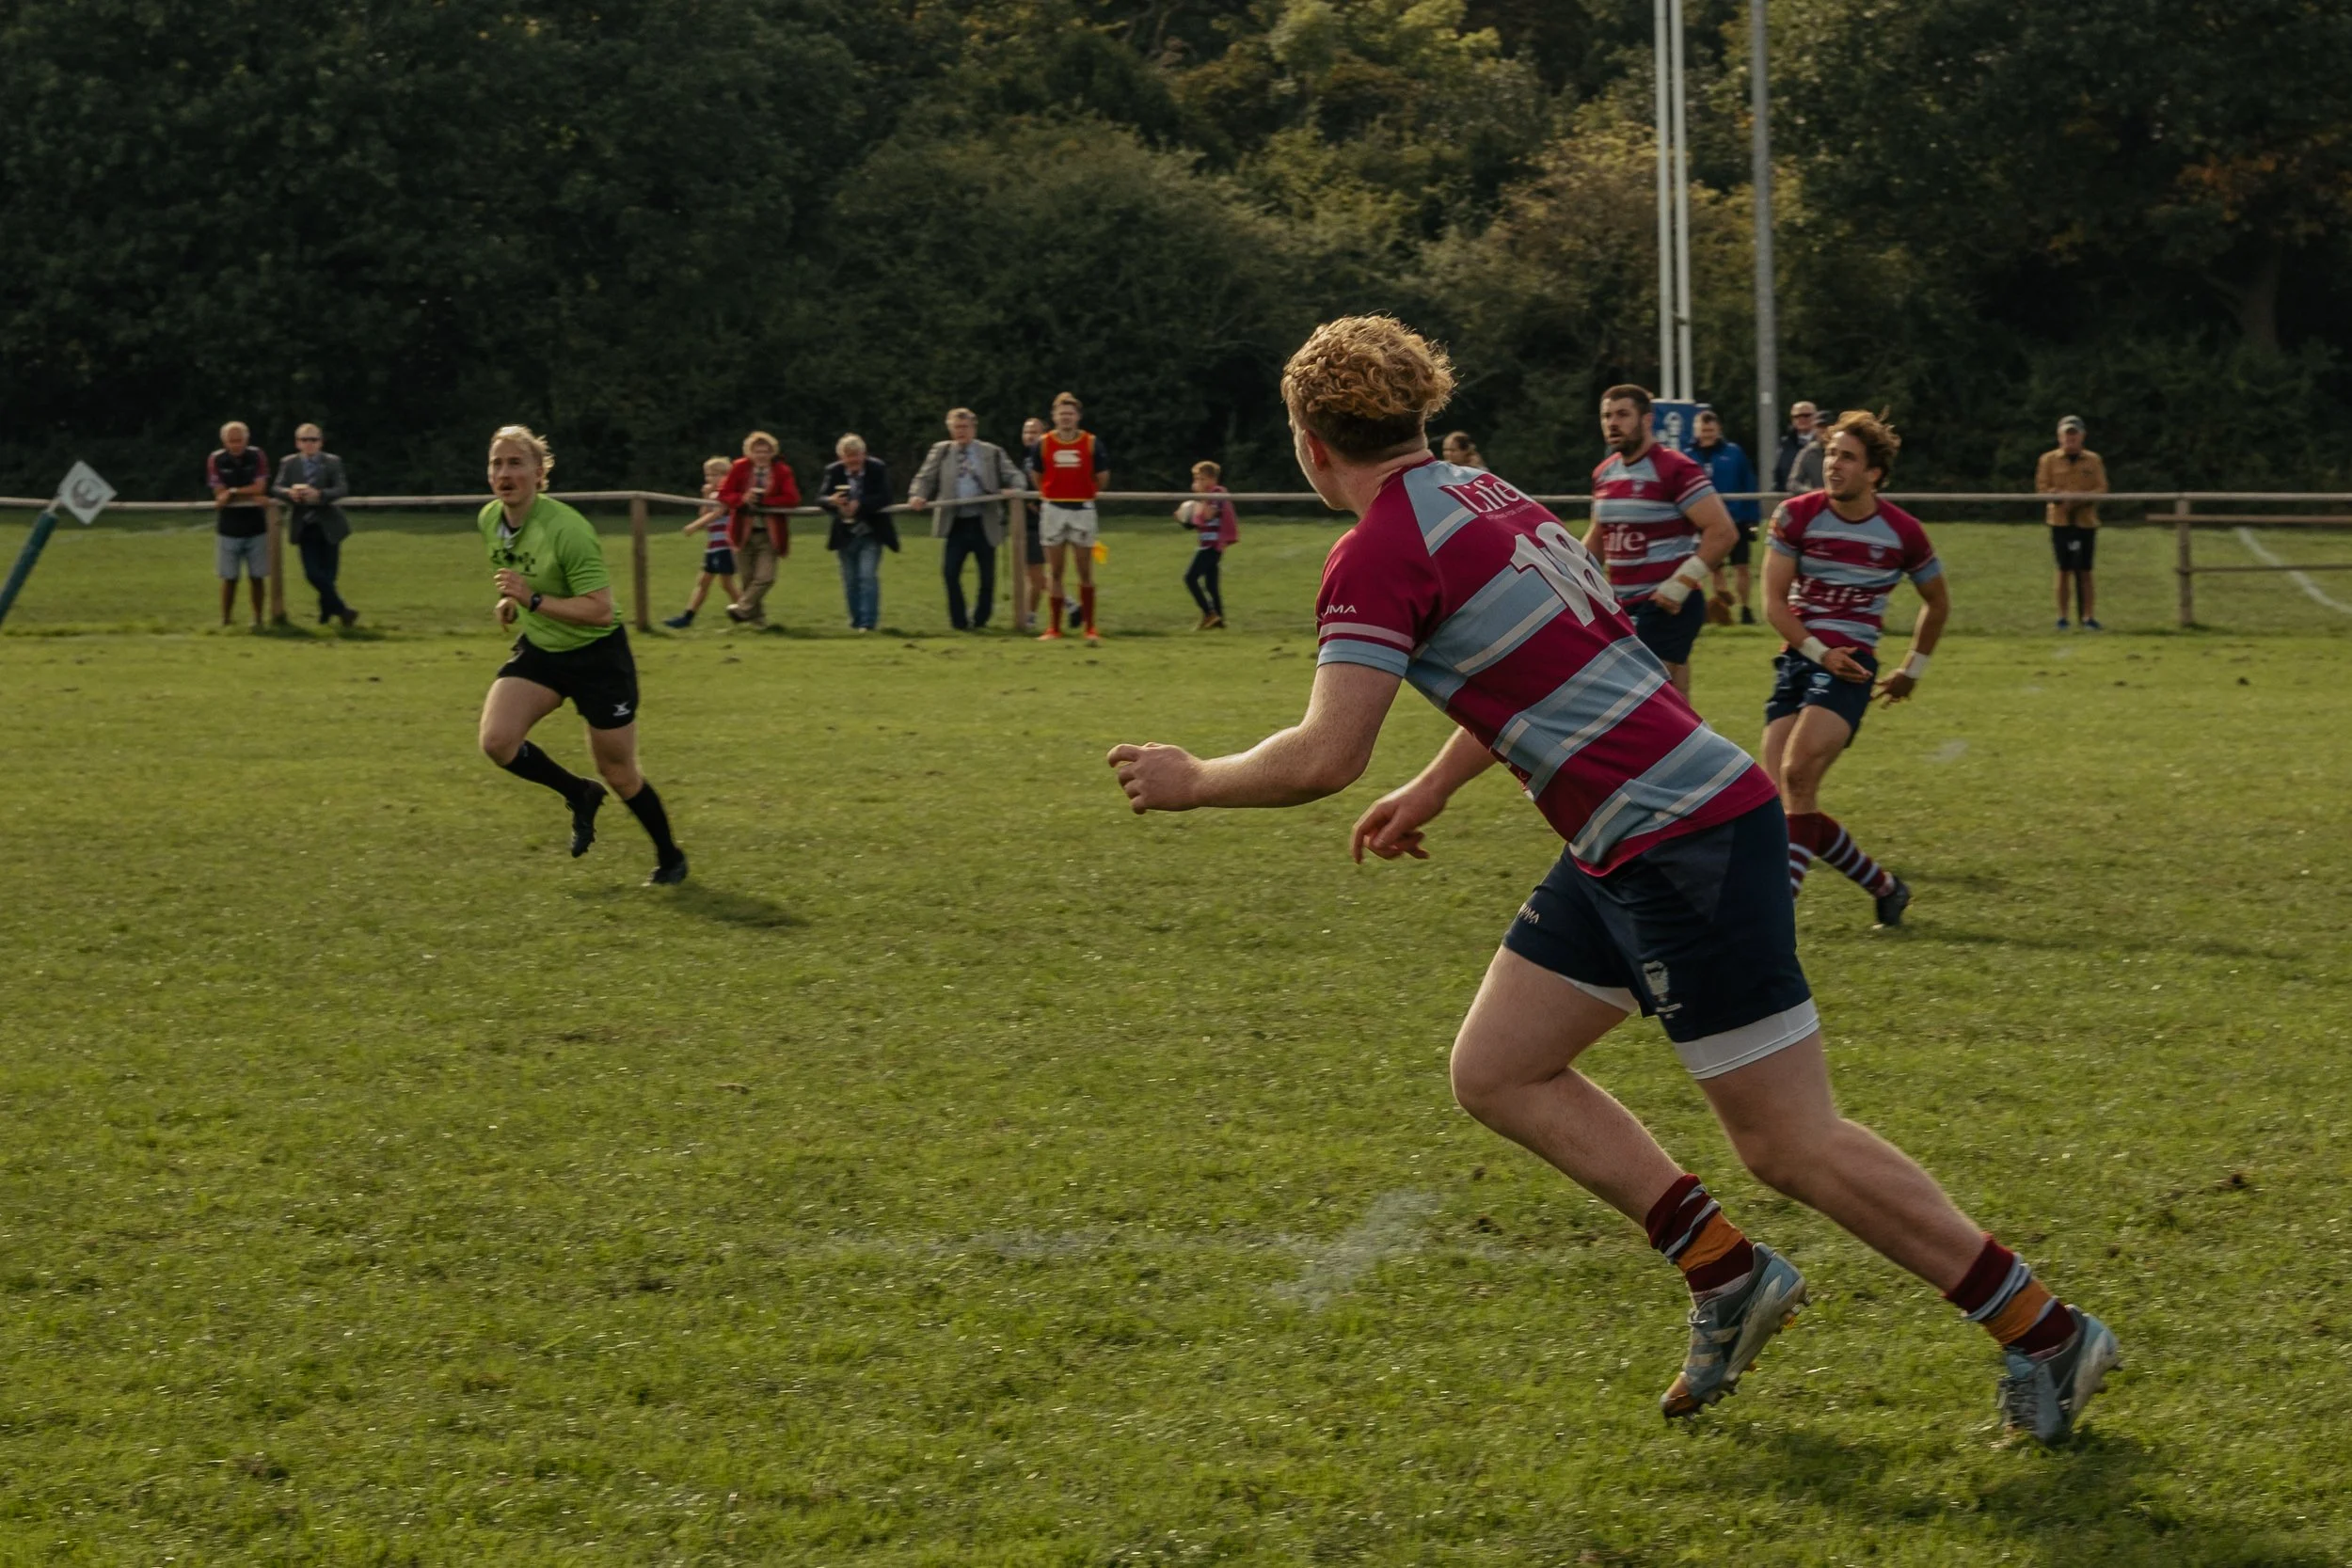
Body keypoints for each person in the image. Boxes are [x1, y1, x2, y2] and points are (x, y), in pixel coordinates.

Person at [1104, 314, 2117, 1447]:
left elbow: (1324, 753)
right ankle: (1725, 1273)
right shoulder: (1493, 497)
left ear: (1307, 438)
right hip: (1631, 831)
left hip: (1678, 836)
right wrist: (1435, 789)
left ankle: (2046, 1330)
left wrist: (1193, 779)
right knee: (1499, 1067)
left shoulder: (1383, 545)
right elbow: (1542, 667)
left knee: (1789, 1140)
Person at [475, 425, 687, 886]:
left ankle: (670, 857)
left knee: (619, 770)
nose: (504, 473)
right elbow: (517, 571)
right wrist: (511, 600)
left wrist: (531, 601)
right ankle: (578, 793)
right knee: (497, 742)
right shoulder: (491, 518)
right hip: (543, 650)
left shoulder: (568, 529)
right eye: (497, 463)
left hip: (597, 658)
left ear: (539, 472)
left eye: (515, 463)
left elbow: (600, 610)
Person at [1761, 411, 1948, 927]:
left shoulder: (1903, 532)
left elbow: (1937, 600)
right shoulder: (1795, 515)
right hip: (1800, 661)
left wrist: (1914, 667)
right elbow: (1774, 603)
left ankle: (1776, 914)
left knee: (1796, 774)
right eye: (1830, 454)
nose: (1833, 465)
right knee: (1784, 803)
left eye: (1847, 457)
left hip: (1852, 670)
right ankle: (1885, 888)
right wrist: (1819, 652)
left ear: (1874, 474)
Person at [1583, 385, 1739, 697]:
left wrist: (1681, 583)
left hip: (1668, 605)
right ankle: (1696, 745)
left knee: (1646, 700)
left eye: (1623, 415)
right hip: (1623, 606)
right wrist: (1562, 571)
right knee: (1672, 709)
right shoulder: (1604, 473)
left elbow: (1723, 531)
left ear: (1647, 420)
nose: (1613, 423)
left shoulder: (1675, 468)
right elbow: (1599, 537)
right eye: (1607, 416)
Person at [907, 408, 1024, 631]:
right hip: (956, 522)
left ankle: (981, 618)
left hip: (983, 520)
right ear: (950, 429)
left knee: (987, 576)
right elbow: (925, 477)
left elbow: (1015, 475)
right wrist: (917, 495)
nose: (961, 432)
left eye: (965, 427)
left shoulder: (991, 452)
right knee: (950, 573)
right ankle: (959, 621)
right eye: (957, 427)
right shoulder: (941, 451)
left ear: (974, 428)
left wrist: (1015, 490)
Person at [1031, 392, 1108, 643]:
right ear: (1054, 417)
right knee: (1055, 571)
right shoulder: (1043, 443)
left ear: (1078, 417)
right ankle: (1054, 627)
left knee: (1085, 570)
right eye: (1061, 414)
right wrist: (1051, 493)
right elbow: (1036, 474)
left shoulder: (1091, 443)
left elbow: (1103, 476)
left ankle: (1091, 627)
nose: (1065, 418)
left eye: (1070, 414)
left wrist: (1085, 492)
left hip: (1083, 510)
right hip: (1053, 509)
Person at [271, 422, 358, 627]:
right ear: (297, 443)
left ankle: (326, 615)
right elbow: (276, 487)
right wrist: (289, 493)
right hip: (304, 525)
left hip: (329, 525)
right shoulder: (289, 463)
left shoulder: (332, 462)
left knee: (328, 575)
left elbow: (342, 488)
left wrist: (320, 495)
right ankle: (342, 610)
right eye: (304, 440)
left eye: (313, 439)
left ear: (321, 442)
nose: (309, 444)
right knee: (313, 573)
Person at [718, 432, 799, 626]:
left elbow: (792, 499)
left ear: (772, 452)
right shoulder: (739, 468)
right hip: (742, 533)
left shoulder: (782, 471)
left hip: (769, 535)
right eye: (757, 451)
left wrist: (766, 502)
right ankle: (758, 622)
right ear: (750, 452)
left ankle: (741, 608)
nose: (761, 455)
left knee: (765, 577)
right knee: (747, 579)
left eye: (766, 451)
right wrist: (742, 499)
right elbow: (724, 494)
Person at [820, 434, 898, 632]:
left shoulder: (877, 468)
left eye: (856, 455)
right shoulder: (833, 471)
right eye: (848, 456)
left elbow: (885, 496)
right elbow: (819, 498)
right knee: (850, 580)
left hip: (871, 532)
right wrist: (832, 501)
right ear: (841, 457)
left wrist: (860, 504)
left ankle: (868, 623)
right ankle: (855, 621)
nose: (853, 460)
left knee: (867, 576)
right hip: (845, 534)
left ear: (864, 454)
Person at [2037, 416, 2107, 630]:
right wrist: (2058, 496)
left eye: (2074, 434)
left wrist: (2081, 498)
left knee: (2085, 570)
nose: (2070, 438)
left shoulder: (2093, 460)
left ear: (2082, 436)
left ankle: (2088, 617)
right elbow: (2042, 488)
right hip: (2059, 521)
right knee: (2063, 569)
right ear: (2059, 437)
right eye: (2066, 434)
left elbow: (2101, 488)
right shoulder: (2048, 460)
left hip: (2086, 521)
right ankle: (2062, 618)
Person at [1691, 408, 1759, 626]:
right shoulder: (1688, 454)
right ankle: (1723, 610)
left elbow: (1748, 483)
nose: (1708, 434)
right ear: (1697, 430)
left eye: (1711, 430)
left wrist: (1752, 518)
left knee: (1741, 567)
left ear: (1718, 429)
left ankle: (1746, 608)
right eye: (1704, 430)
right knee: (1715, 568)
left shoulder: (1734, 452)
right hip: (1705, 521)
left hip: (1736, 518)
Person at [206, 420, 270, 628]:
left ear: (247, 439)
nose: (236, 445)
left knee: (257, 577)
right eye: (231, 441)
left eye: (239, 440)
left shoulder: (257, 455)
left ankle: (258, 619)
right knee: (229, 578)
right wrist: (241, 492)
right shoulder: (215, 459)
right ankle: (225, 620)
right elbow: (218, 493)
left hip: (257, 527)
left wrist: (233, 492)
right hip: (228, 528)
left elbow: (260, 487)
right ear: (224, 441)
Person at [661, 457, 738, 628]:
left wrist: (694, 527)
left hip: (725, 546)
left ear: (727, 476)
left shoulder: (726, 494)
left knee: (726, 583)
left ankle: (747, 612)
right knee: (703, 582)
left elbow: (718, 513)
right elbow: (704, 513)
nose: (710, 479)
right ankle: (687, 617)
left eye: (715, 475)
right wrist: (705, 496)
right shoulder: (712, 495)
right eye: (708, 475)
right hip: (712, 546)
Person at [1176, 460, 1238, 629]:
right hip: (1206, 545)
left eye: (1201, 479)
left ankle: (1208, 613)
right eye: (1196, 478)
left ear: (1212, 479)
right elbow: (1200, 521)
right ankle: (1219, 621)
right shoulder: (1206, 497)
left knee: (1189, 578)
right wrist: (1183, 517)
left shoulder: (1217, 493)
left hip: (1212, 547)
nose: (1197, 483)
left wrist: (1199, 498)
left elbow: (1209, 515)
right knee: (1211, 584)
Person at [1016, 416, 1051, 630]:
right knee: (1034, 572)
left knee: (1034, 572)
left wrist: (1034, 503)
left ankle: (1071, 605)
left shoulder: (1046, 456)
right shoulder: (1026, 458)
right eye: (1026, 432)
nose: (1029, 436)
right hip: (1027, 522)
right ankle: (1030, 616)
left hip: (1039, 522)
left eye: (1034, 432)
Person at [1772, 401, 1820, 492]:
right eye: (1796, 416)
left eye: (1806, 415)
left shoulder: (1826, 442)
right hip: (1792, 499)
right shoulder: (1785, 444)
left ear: (1816, 416)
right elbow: (1779, 477)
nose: (1801, 419)